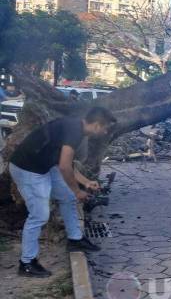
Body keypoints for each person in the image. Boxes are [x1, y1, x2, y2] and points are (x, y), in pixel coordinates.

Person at [9, 107, 116, 277]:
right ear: (96, 125)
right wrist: (78, 191)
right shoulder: (74, 131)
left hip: (44, 166)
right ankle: (27, 263)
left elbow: (66, 164)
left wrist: (87, 183)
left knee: (67, 197)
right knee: (39, 215)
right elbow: (65, 167)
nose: (105, 132)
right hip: (28, 169)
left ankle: (75, 240)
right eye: (105, 128)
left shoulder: (75, 128)